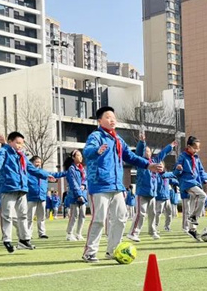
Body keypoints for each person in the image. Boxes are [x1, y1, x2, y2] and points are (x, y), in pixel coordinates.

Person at [81, 106, 162, 263]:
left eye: (114, 117)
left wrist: (148, 165)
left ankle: (113, 250)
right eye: (108, 117)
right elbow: (87, 151)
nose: (112, 120)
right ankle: (90, 252)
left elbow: (130, 156)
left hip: (117, 186)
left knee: (121, 217)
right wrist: (97, 150)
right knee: (99, 218)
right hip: (99, 185)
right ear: (100, 121)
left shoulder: (118, 139)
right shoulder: (96, 136)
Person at [0, 132, 57, 253]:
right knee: (7, 215)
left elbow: (31, 169)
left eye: (21, 143)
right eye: (17, 143)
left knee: (23, 215)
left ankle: (24, 240)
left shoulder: (21, 156)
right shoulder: (4, 151)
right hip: (9, 187)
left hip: (22, 189)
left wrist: (46, 175)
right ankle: (7, 240)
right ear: (10, 142)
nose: (20, 146)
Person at [128, 134, 176, 242]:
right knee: (141, 213)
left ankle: (152, 231)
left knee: (153, 214)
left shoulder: (155, 161)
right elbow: (139, 153)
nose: (147, 152)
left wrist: (170, 146)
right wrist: (142, 142)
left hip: (152, 193)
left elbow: (162, 153)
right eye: (145, 150)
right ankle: (133, 233)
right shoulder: (140, 162)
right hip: (142, 193)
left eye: (148, 150)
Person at [174, 135, 207, 241]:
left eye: (198, 148)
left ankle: (193, 229)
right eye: (195, 148)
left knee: (193, 206)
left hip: (196, 183)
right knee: (202, 195)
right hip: (187, 183)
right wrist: (178, 169)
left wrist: (205, 179)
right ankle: (194, 217)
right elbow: (175, 172)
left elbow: (201, 171)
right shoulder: (182, 157)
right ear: (188, 146)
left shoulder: (196, 158)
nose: (197, 150)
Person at [27, 156, 65, 240]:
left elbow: (55, 174)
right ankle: (28, 235)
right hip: (31, 197)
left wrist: (66, 173)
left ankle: (42, 233)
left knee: (41, 217)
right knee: (29, 217)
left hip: (42, 197)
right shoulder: (28, 173)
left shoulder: (43, 172)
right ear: (32, 162)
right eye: (36, 161)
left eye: (39, 162)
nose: (38, 163)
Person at [64, 149, 87, 241]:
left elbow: (86, 180)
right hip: (74, 195)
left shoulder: (82, 169)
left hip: (83, 194)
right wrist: (78, 195)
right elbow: (73, 183)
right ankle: (69, 234)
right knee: (74, 215)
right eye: (78, 155)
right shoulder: (71, 169)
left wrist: (84, 185)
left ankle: (79, 233)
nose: (80, 157)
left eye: (81, 155)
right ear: (73, 157)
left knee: (83, 215)